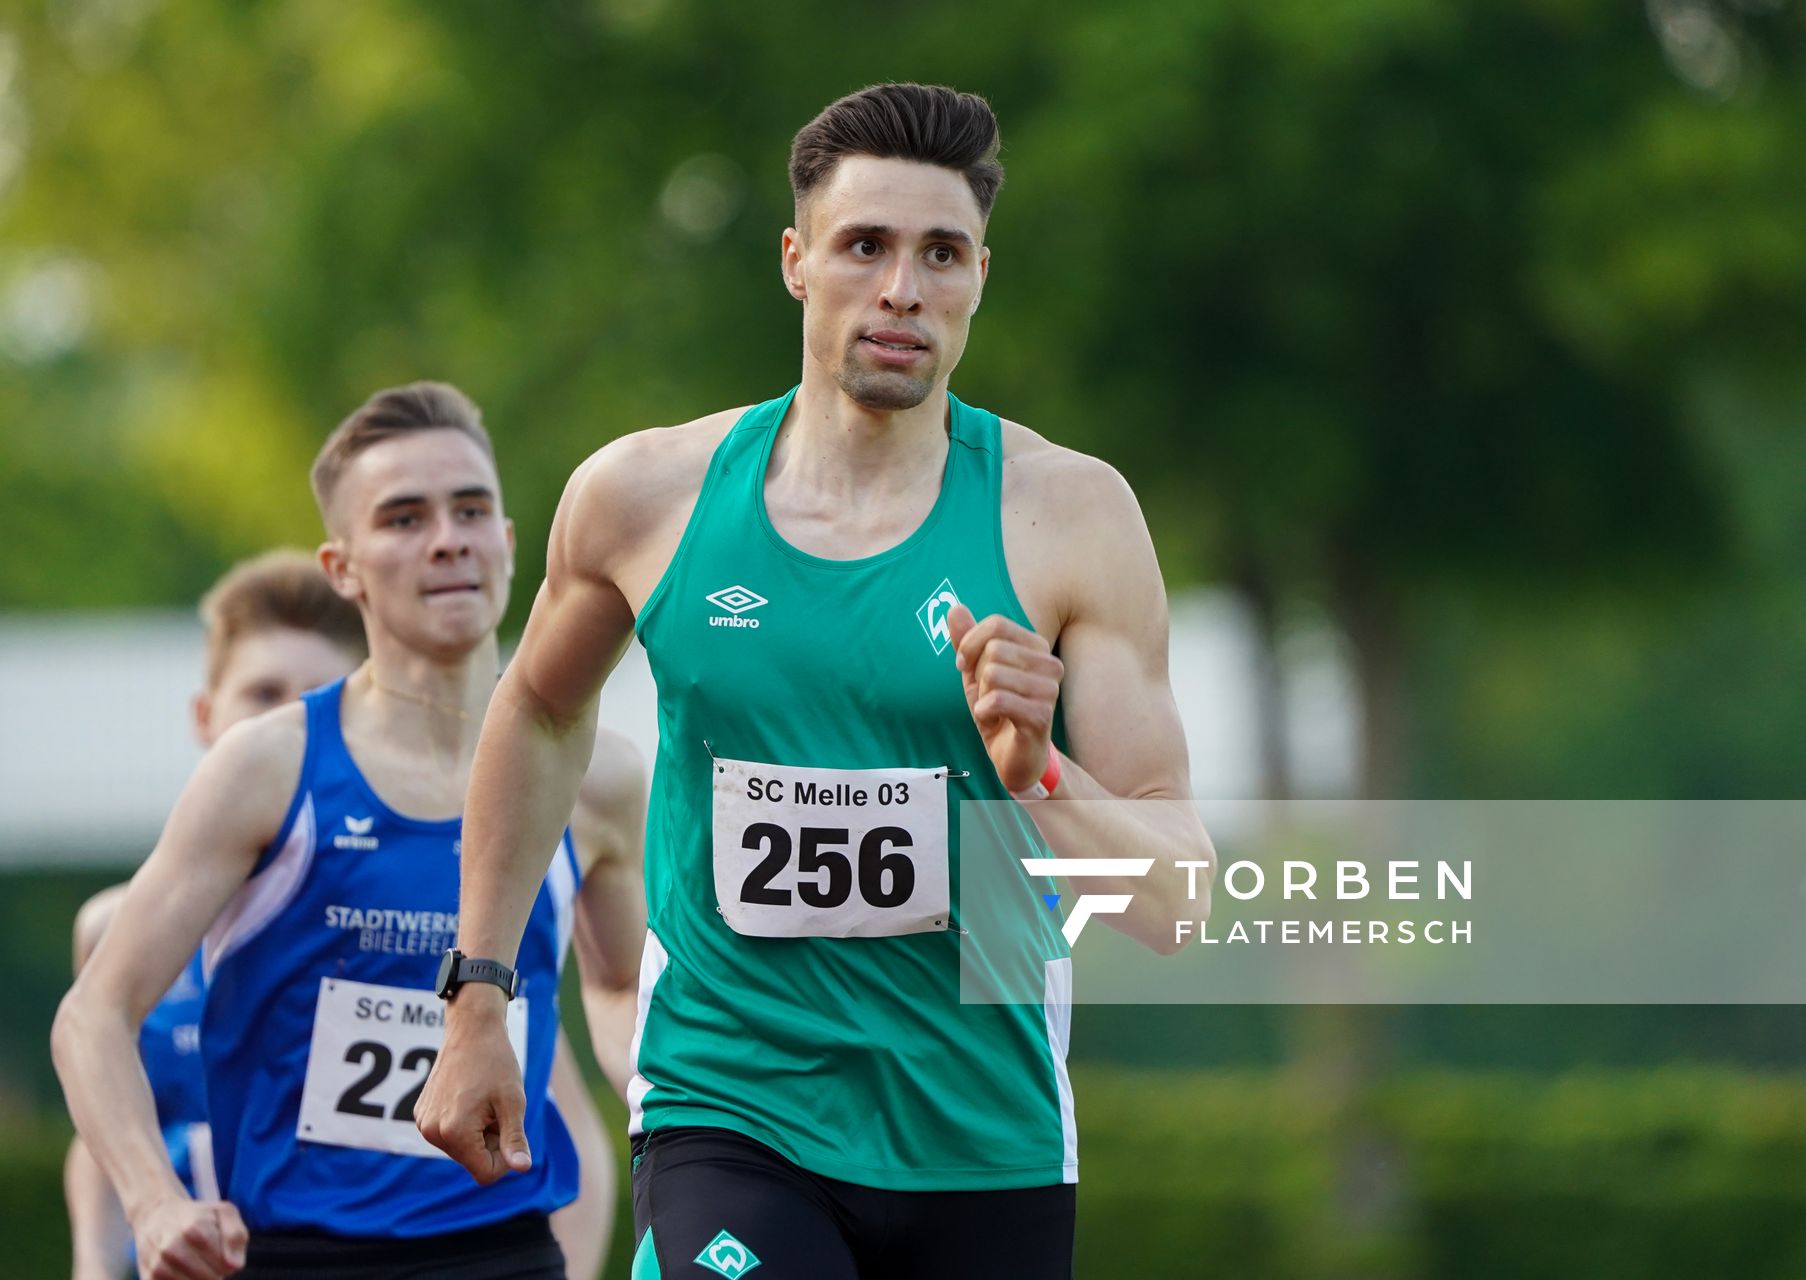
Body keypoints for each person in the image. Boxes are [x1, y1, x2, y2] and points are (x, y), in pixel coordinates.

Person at [419, 83, 1217, 1278]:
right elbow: (538, 708)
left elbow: (1176, 900)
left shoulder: (1068, 517)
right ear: (797, 261)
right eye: (866, 246)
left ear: (981, 277)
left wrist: (1038, 771)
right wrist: (477, 991)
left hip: (982, 1136)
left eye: (940, 253)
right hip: (730, 1108)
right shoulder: (648, 499)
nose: (902, 287)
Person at [53, 382, 648, 1280]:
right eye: (404, 518)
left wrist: (669, 1109)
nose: (447, 537)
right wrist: (153, 1201)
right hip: (299, 1252)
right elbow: (91, 1016)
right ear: (344, 569)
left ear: (510, 543)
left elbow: (618, 990)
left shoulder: (597, 775)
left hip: (504, 1249)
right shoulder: (270, 766)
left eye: (471, 509)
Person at [66, 550, 365, 1280]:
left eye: (319, 698)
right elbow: (101, 1124)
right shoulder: (114, 929)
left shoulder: (407, 923)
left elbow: (552, 1123)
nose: (289, 725)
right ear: (206, 716)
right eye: (263, 694)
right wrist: (99, 1256)